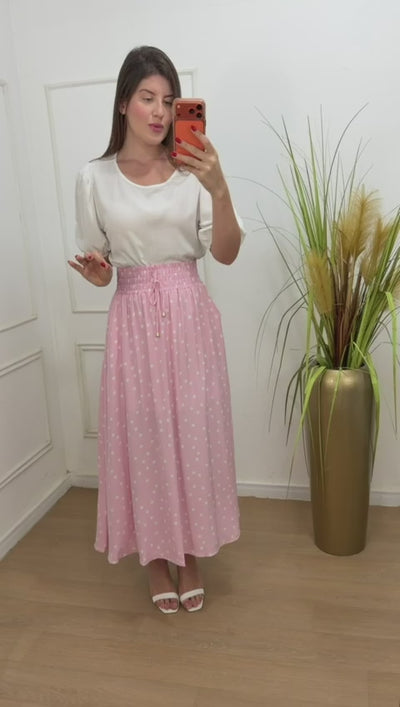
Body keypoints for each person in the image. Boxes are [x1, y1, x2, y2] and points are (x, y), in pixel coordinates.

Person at [68, 46, 245, 614]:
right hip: (133, 318)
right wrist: (98, 275)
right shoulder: (94, 178)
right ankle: (154, 558)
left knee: (191, 433)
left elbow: (226, 253)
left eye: (169, 101)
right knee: (143, 437)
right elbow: (101, 266)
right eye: (147, 98)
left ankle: (189, 553)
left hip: (190, 314)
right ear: (123, 103)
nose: (160, 112)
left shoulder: (193, 173)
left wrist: (219, 187)